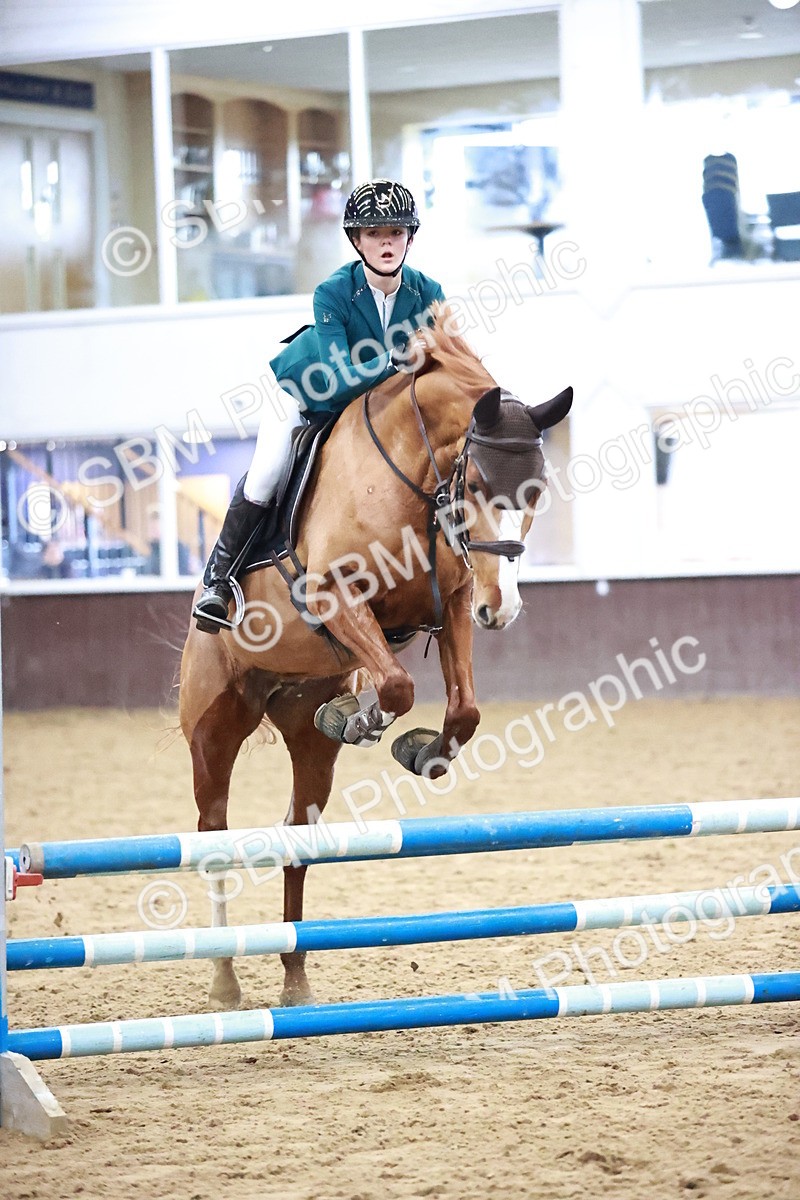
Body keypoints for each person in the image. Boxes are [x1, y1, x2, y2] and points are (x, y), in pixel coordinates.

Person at [193, 178, 445, 631]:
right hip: (307, 392)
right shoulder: (331, 293)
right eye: (374, 233)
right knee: (270, 467)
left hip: (373, 405)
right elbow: (339, 376)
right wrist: (396, 360)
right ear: (356, 240)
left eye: (396, 232)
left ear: (410, 237)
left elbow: (439, 369)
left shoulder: (429, 293)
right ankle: (219, 578)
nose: (386, 242)